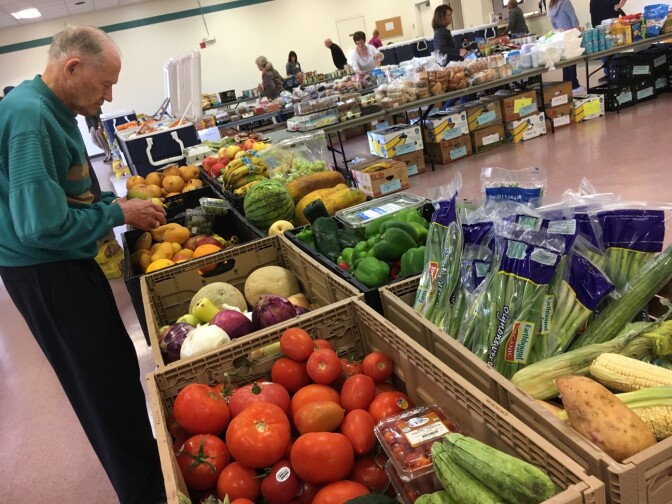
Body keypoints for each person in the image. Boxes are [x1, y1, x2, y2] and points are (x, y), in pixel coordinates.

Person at [0, 25, 167, 504]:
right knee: (103, 389)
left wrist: (105, 208)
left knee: (113, 373)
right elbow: (39, 224)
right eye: (104, 83)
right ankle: (147, 492)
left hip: (59, 265)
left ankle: (148, 470)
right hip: (47, 273)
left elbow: (62, 195)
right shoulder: (31, 118)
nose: (109, 96)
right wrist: (115, 214)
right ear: (72, 67)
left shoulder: (54, 107)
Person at [590, 0, 627, 82]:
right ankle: (609, 73)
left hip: (609, 15)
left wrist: (621, 4)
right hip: (597, 14)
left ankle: (616, 74)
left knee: (612, 46)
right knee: (603, 46)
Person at [549, 0, 582, 92]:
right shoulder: (565, 2)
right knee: (572, 60)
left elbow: (553, 24)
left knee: (565, 63)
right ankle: (574, 85)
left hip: (560, 36)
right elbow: (573, 18)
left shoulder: (552, 5)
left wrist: (559, 32)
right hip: (571, 34)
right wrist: (577, 30)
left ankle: (566, 86)